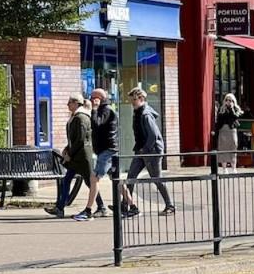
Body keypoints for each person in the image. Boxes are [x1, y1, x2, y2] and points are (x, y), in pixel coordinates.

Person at [122, 87, 175, 216]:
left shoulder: (145, 114)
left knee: (156, 179)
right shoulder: (138, 112)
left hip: (151, 151)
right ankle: (125, 205)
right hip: (141, 150)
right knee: (130, 177)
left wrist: (146, 149)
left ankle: (170, 205)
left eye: (134, 100)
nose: (132, 103)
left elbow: (153, 135)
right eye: (131, 100)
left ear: (141, 99)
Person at [61, 93, 98, 221]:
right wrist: (67, 148)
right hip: (76, 155)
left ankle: (100, 206)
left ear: (76, 103)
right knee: (67, 179)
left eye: (70, 102)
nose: (68, 105)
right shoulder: (76, 116)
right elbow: (74, 138)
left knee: (90, 182)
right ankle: (60, 207)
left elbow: (80, 139)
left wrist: (70, 154)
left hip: (81, 157)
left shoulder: (81, 117)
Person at [89, 89, 116, 217]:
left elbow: (97, 124)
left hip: (107, 150)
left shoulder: (106, 110)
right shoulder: (103, 109)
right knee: (115, 179)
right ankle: (132, 206)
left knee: (94, 178)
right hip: (105, 149)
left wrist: (94, 109)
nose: (90, 100)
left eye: (92, 98)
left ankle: (89, 209)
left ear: (98, 98)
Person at [215, 93, 242, 170]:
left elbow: (235, 117)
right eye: (227, 100)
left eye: (230, 100)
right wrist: (215, 130)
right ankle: (224, 168)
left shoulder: (236, 109)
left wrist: (231, 108)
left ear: (233, 101)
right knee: (223, 149)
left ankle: (234, 168)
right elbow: (219, 121)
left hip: (232, 130)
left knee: (233, 148)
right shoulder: (222, 109)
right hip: (223, 130)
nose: (228, 102)